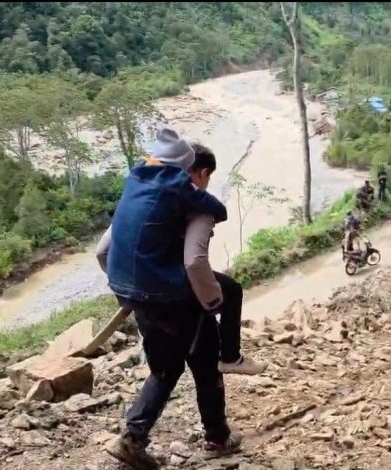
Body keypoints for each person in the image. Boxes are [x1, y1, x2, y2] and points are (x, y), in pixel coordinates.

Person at [96, 127, 245, 469]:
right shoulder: (188, 199)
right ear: (199, 173)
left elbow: (102, 251)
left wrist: (130, 290)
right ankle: (215, 436)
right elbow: (194, 261)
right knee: (202, 362)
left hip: (135, 293)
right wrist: (210, 301)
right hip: (174, 294)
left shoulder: (136, 189)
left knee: (165, 368)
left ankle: (134, 437)